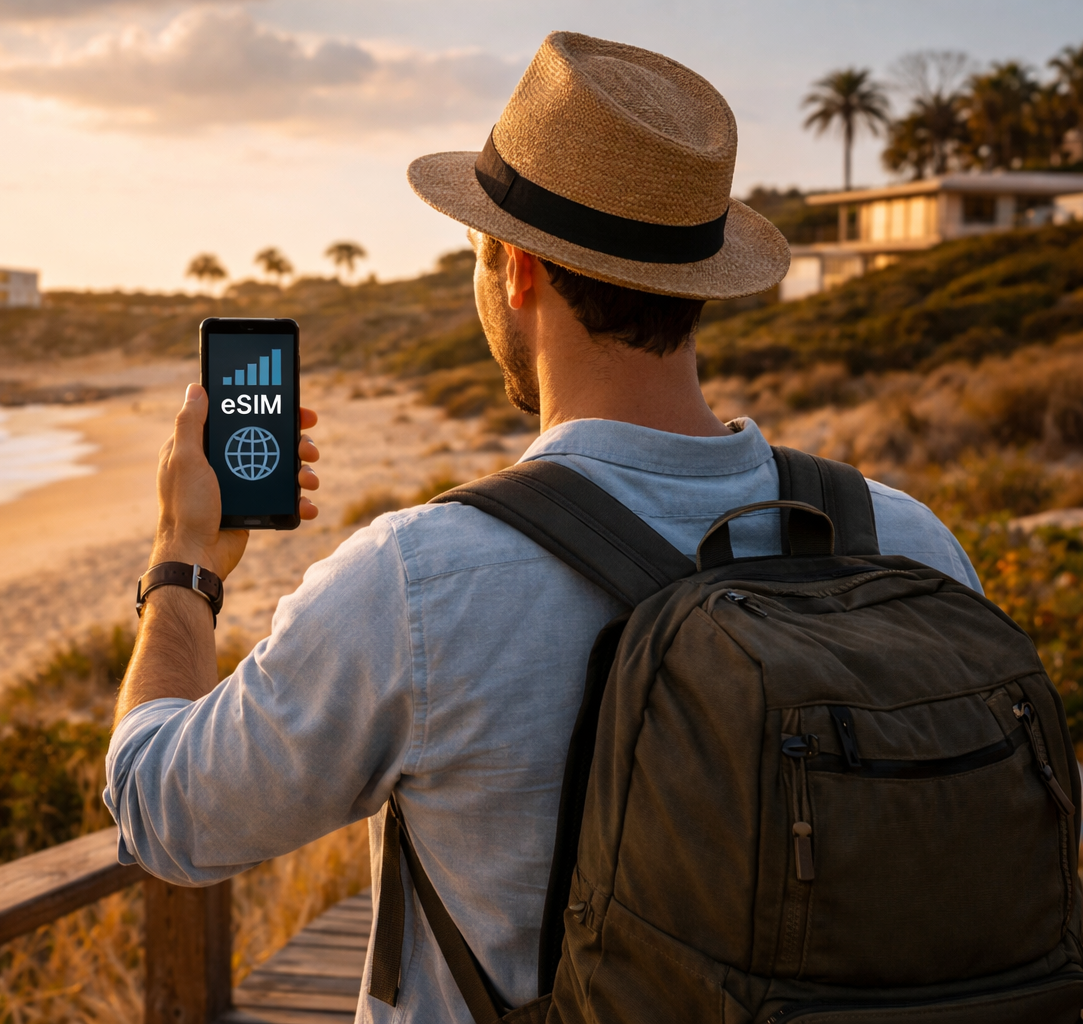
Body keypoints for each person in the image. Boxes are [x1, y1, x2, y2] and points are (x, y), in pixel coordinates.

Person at [104, 32, 980, 1024]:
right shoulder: (911, 544)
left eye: (477, 253)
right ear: (699, 283)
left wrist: (183, 560)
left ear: (516, 270)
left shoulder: (420, 583)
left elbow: (162, 814)